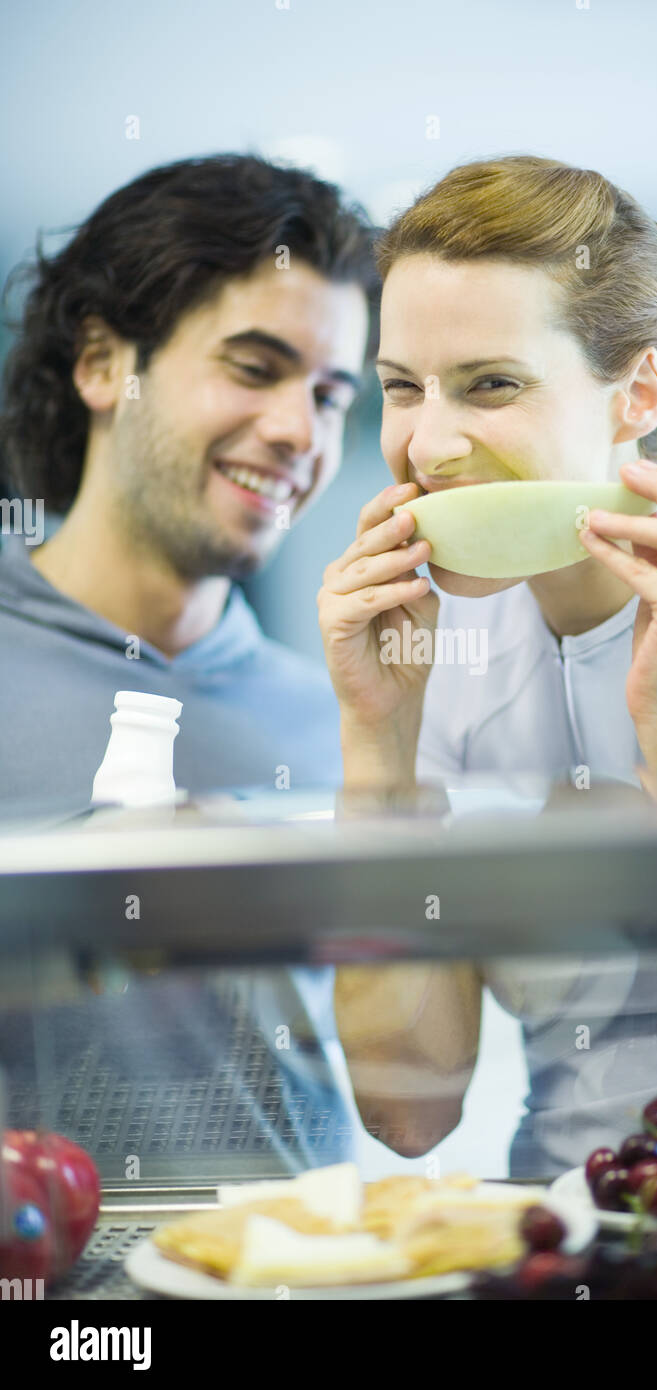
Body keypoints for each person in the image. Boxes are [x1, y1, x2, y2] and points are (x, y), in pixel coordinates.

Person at [319, 155, 657, 1178]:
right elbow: (408, 1111)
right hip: (557, 1230)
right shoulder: (430, 645)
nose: (429, 444)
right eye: (401, 389)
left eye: (493, 384)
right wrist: (379, 744)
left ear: (638, 393)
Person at [0, 154, 378, 1172]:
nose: (300, 431)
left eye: (333, 394)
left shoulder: (336, 720)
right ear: (100, 363)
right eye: (255, 369)